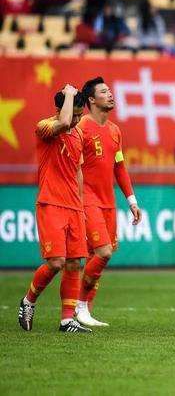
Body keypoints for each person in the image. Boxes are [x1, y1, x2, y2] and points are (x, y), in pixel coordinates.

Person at [17, 84, 91, 333]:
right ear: (61, 108)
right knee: (56, 262)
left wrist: (81, 203)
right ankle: (28, 301)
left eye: (81, 115)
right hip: (51, 203)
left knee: (75, 264)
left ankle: (67, 320)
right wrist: (69, 94)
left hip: (74, 207)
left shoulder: (78, 135)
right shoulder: (45, 127)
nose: (77, 120)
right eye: (75, 113)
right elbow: (64, 122)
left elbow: (78, 170)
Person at [74, 77, 142, 327]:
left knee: (98, 255)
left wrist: (132, 201)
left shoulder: (114, 131)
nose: (111, 95)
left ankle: (84, 312)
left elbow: (120, 168)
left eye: (110, 91)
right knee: (103, 252)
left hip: (107, 201)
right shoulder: (81, 127)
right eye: (104, 92)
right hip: (86, 199)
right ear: (91, 99)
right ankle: (78, 305)